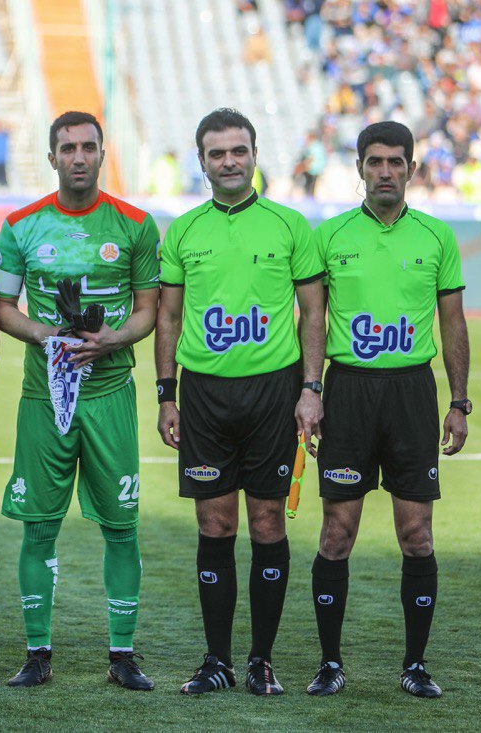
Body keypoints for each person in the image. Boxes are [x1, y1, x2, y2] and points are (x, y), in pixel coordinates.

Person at [155, 107, 325, 695]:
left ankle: (261, 661)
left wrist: (310, 389)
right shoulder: (183, 231)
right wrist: (167, 395)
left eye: (238, 151)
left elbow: (313, 313)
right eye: (217, 153)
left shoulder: (289, 225)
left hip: (274, 393)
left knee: (268, 520)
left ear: (254, 154)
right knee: (215, 521)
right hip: (204, 393)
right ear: (201, 162)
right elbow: (168, 318)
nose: (229, 162)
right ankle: (217, 661)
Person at [0, 111, 161, 690]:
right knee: (39, 527)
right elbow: (3, 309)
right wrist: (49, 336)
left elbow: (148, 309)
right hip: (45, 394)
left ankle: (123, 655)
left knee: (122, 526)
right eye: (68, 148)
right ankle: (37, 653)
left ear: (102, 154)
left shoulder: (136, 225)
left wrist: (111, 339)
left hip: (111, 392)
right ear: (52, 158)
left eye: (89, 147)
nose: (79, 157)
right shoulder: (20, 226)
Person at [306, 121, 469, 698]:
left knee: (417, 534)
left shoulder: (436, 237)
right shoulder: (329, 235)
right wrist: (311, 390)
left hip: (411, 394)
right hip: (348, 392)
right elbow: (312, 321)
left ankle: (415, 665)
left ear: (412, 170)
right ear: (359, 168)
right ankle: (330, 663)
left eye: (395, 162)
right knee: (337, 532)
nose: (384, 172)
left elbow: (453, 324)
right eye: (374, 162)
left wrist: (459, 402)